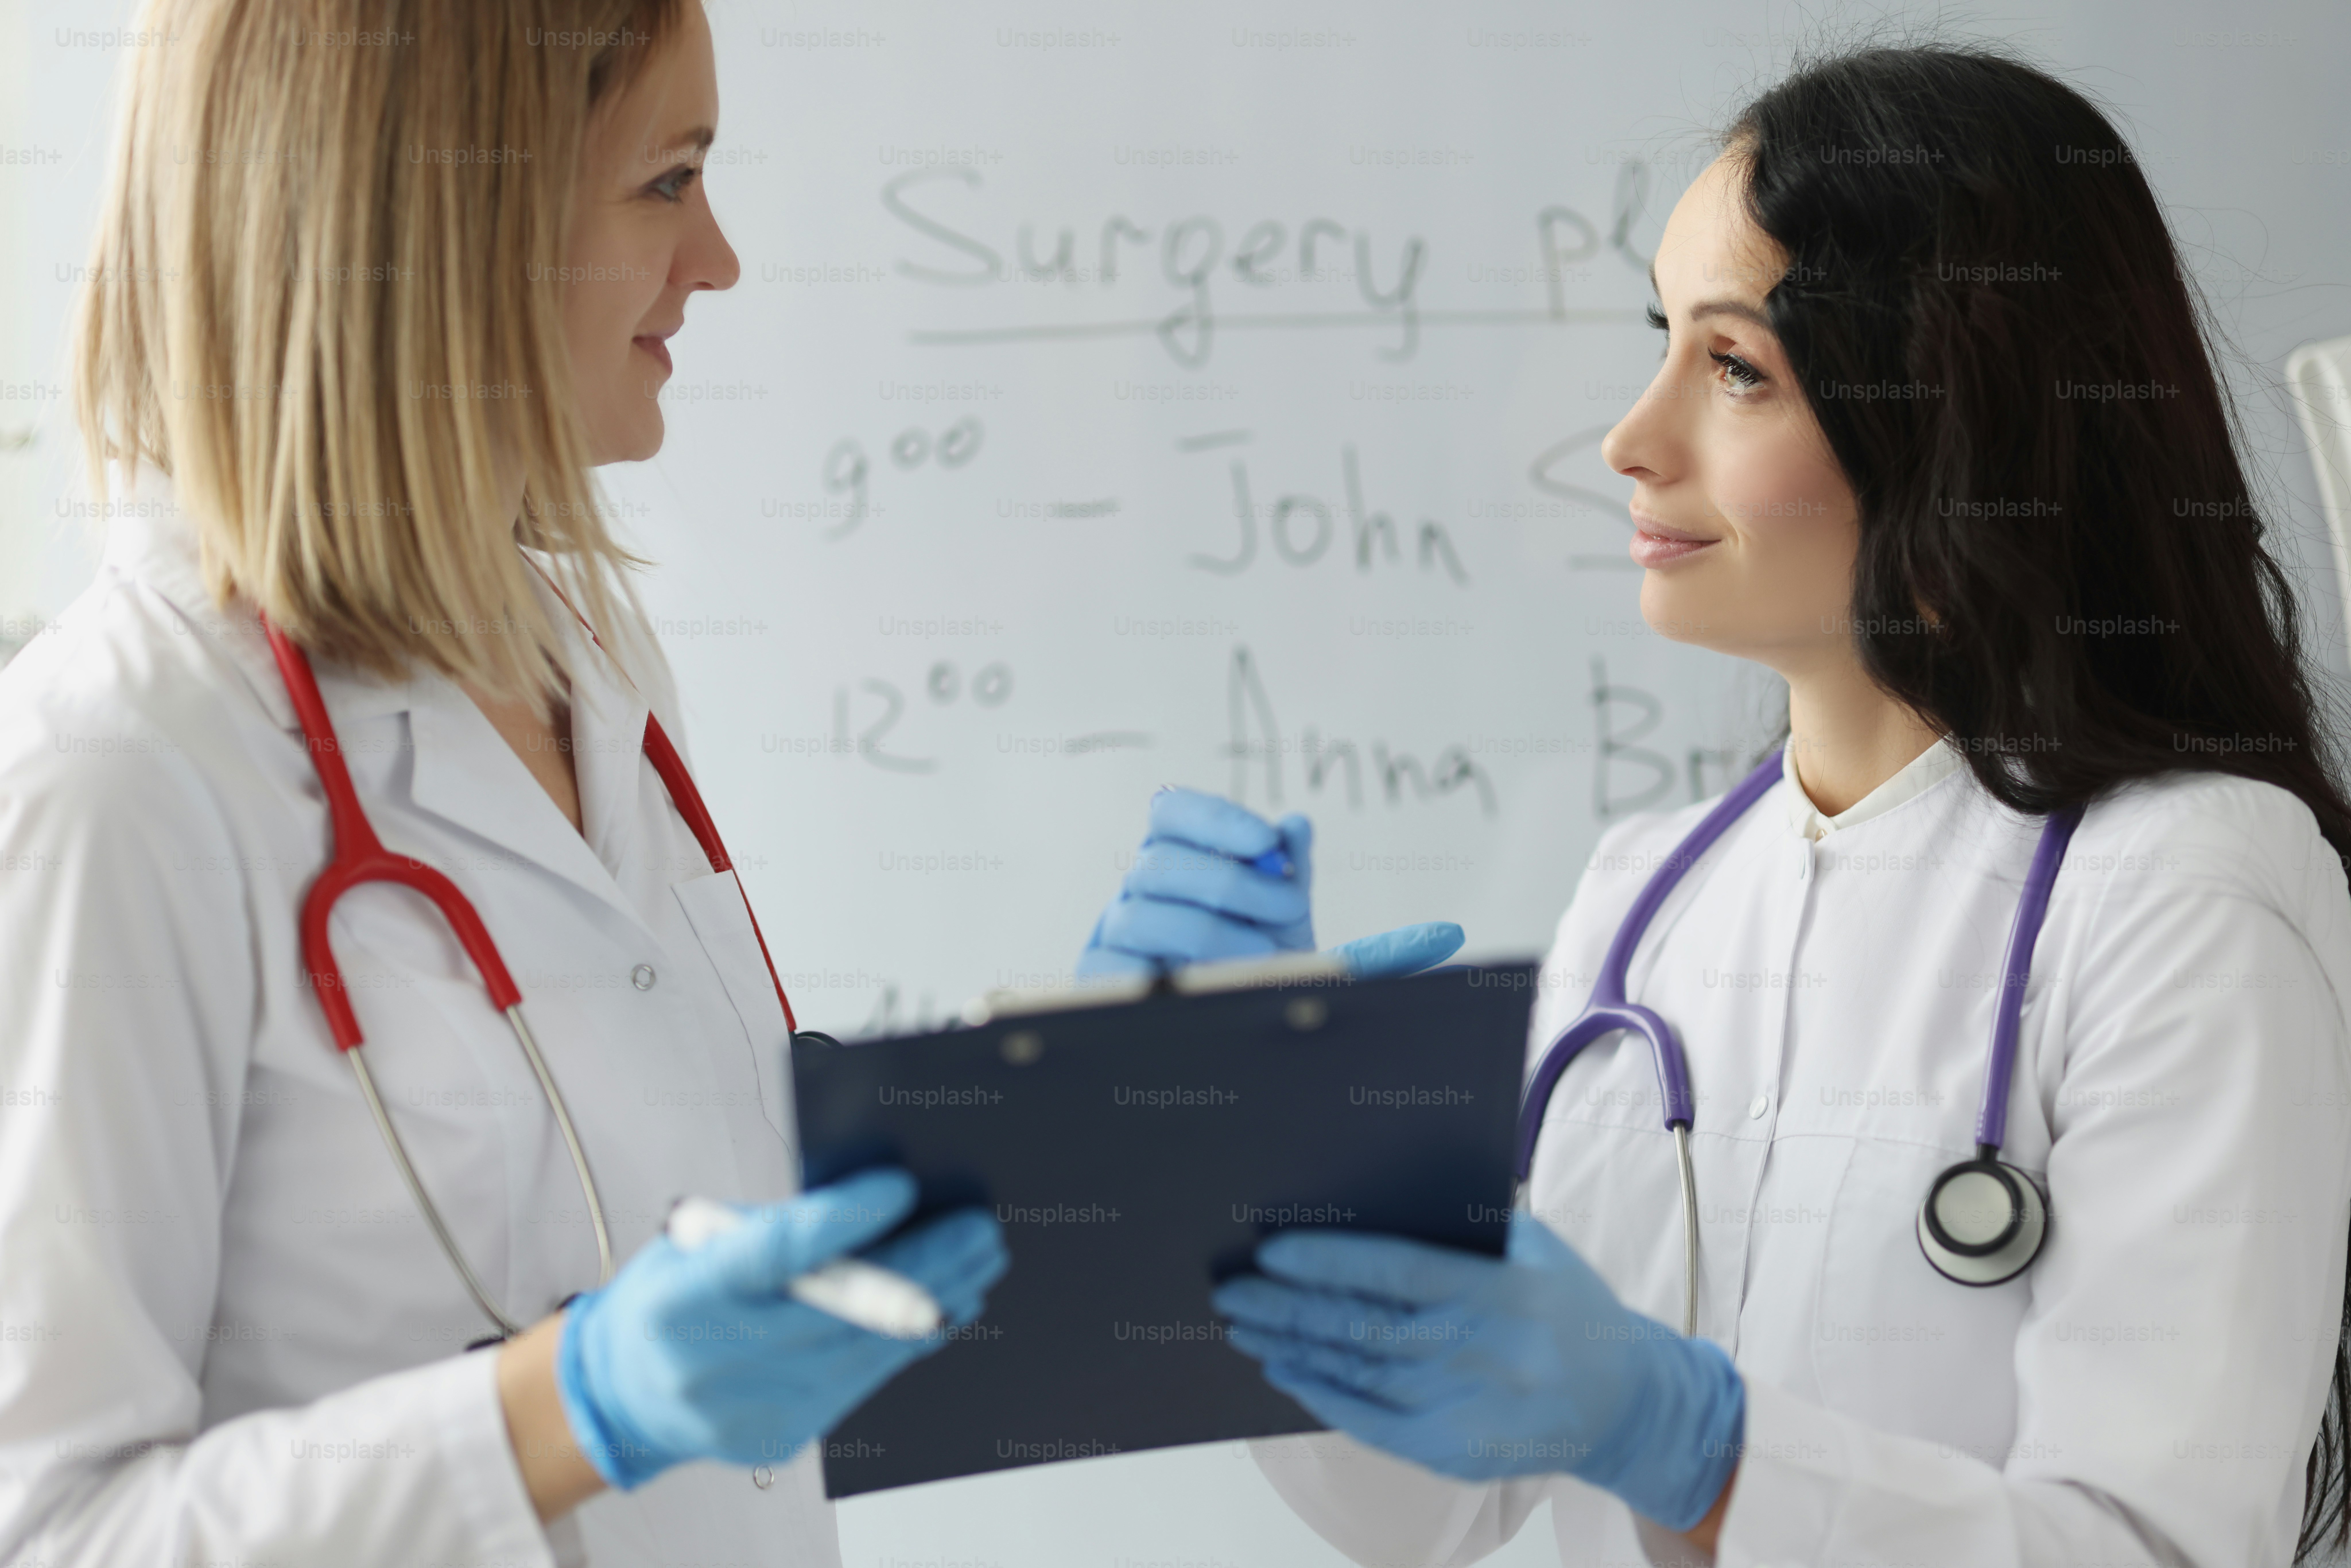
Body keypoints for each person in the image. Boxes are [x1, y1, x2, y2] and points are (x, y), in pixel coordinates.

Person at [1117, 44, 2351, 1568]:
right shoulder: (1647, 901)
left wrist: (1695, 1444)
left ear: (1954, 415)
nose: (1632, 441)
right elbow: (1431, 1501)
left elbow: (2163, 1547)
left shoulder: (2188, 885)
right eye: (1664, 344)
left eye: (1736, 367)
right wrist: (1246, 1154)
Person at [0, 5, 1017, 1565]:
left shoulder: (583, 646)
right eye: (669, 183)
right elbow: (55, 1526)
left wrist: (1111, 1069)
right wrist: (563, 1411)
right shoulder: (117, 775)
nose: (721, 261)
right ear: (452, 215)